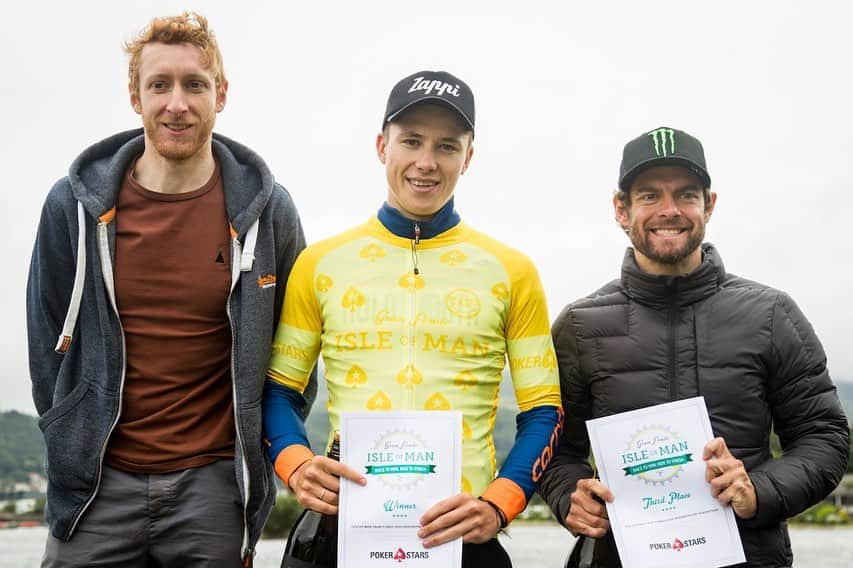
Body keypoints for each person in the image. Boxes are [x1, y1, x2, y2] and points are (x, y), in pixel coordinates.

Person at [26, 12, 312, 567]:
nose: (176, 103)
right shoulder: (72, 207)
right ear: (135, 97)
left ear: (221, 95)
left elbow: (294, 355)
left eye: (194, 85)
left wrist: (260, 448)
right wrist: (70, 438)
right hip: (95, 487)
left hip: (214, 489)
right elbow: (45, 346)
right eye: (159, 85)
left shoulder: (269, 212)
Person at [263, 70, 563, 566]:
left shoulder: (512, 271)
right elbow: (280, 392)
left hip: (464, 535)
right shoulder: (320, 264)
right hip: (341, 529)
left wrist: (500, 504)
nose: (426, 163)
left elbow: (543, 409)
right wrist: (296, 467)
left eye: (447, 146)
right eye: (411, 141)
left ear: (468, 157)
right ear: (382, 146)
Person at [537, 126, 850, 567]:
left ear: (710, 204)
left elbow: (825, 437)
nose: (669, 210)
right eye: (649, 196)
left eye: (686, 194)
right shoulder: (578, 326)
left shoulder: (771, 313)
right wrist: (569, 493)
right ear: (620, 209)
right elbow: (552, 449)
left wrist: (756, 491)